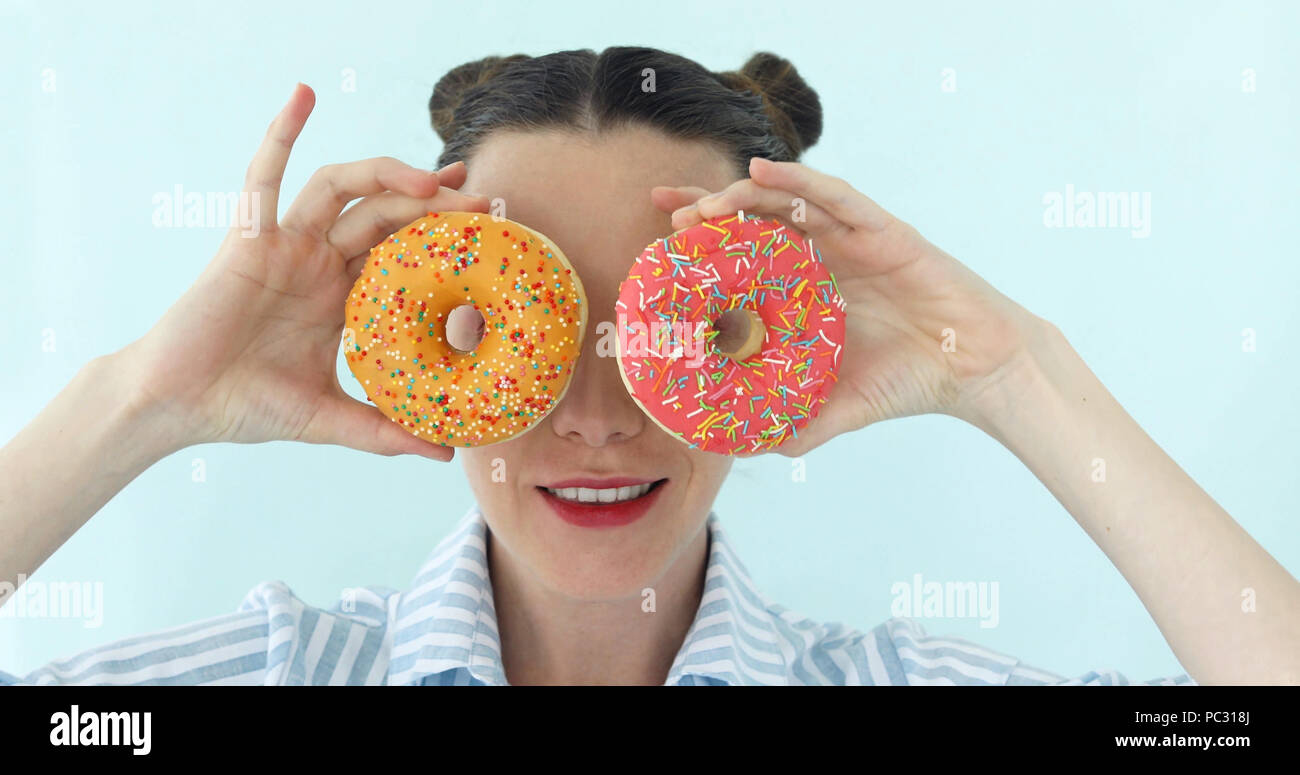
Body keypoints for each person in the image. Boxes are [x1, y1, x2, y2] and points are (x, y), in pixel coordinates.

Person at [1, 47, 1295, 686]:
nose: (601, 414)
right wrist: (142, 403)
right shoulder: (274, 675)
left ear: (773, 333)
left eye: (679, 330)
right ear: (424, 344)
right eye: (530, 333)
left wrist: (1019, 377)